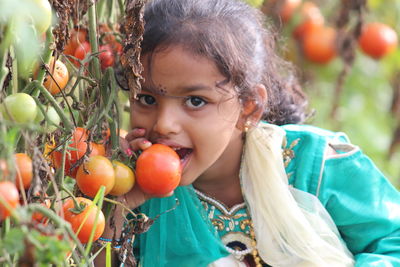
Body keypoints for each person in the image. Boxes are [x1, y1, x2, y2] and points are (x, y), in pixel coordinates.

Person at [97, 0, 400, 266]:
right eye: (147, 99)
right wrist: (119, 207)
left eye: (195, 101)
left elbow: (393, 239)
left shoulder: (313, 165)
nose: (164, 124)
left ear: (249, 109)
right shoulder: (140, 194)